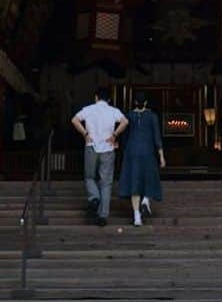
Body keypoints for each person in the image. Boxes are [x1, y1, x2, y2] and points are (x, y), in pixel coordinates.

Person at [71, 86, 127, 226]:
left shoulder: (88, 109)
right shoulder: (113, 111)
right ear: (108, 99)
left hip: (91, 146)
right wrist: (114, 135)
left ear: (96, 97)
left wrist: (85, 134)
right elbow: (125, 122)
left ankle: (94, 198)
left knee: (89, 177)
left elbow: (74, 120)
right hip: (108, 148)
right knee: (106, 183)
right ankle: (103, 216)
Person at [117, 93, 165, 226]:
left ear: (134, 102)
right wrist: (161, 155)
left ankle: (137, 217)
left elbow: (124, 137)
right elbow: (157, 137)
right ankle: (146, 200)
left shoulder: (128, 116)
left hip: (131, 152)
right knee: (149, 177)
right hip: (148, 151)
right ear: (146, 103)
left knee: (134, 182)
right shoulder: (152, 116)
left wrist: (124, 151)